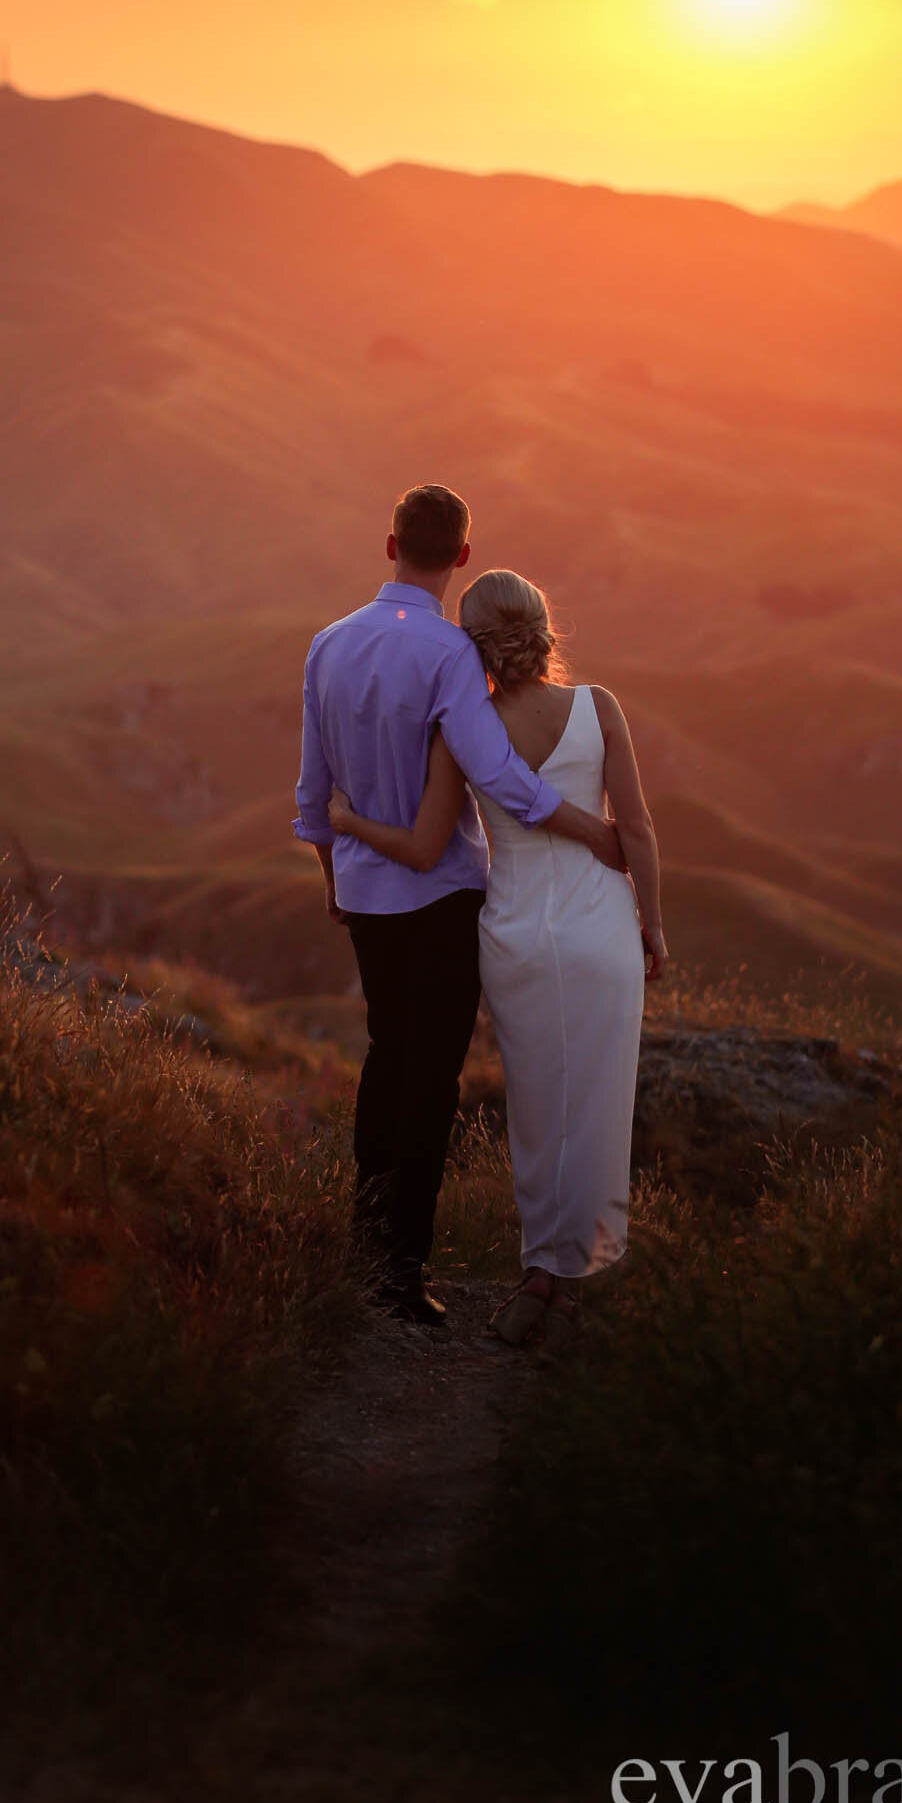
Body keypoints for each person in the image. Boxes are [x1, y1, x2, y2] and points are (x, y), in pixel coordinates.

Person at [293, 486, 626, 1325]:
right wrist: (593, 831)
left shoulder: (325, 646)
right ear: (463, 556)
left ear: (389, 543)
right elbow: (500, 776)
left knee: (384, 1059)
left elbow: (310, 793)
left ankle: (363, 1246)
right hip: (440, 895)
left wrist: (337, 882)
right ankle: (401, 1274)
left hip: (367, 895)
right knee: (429, 1081)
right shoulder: (447, 652)